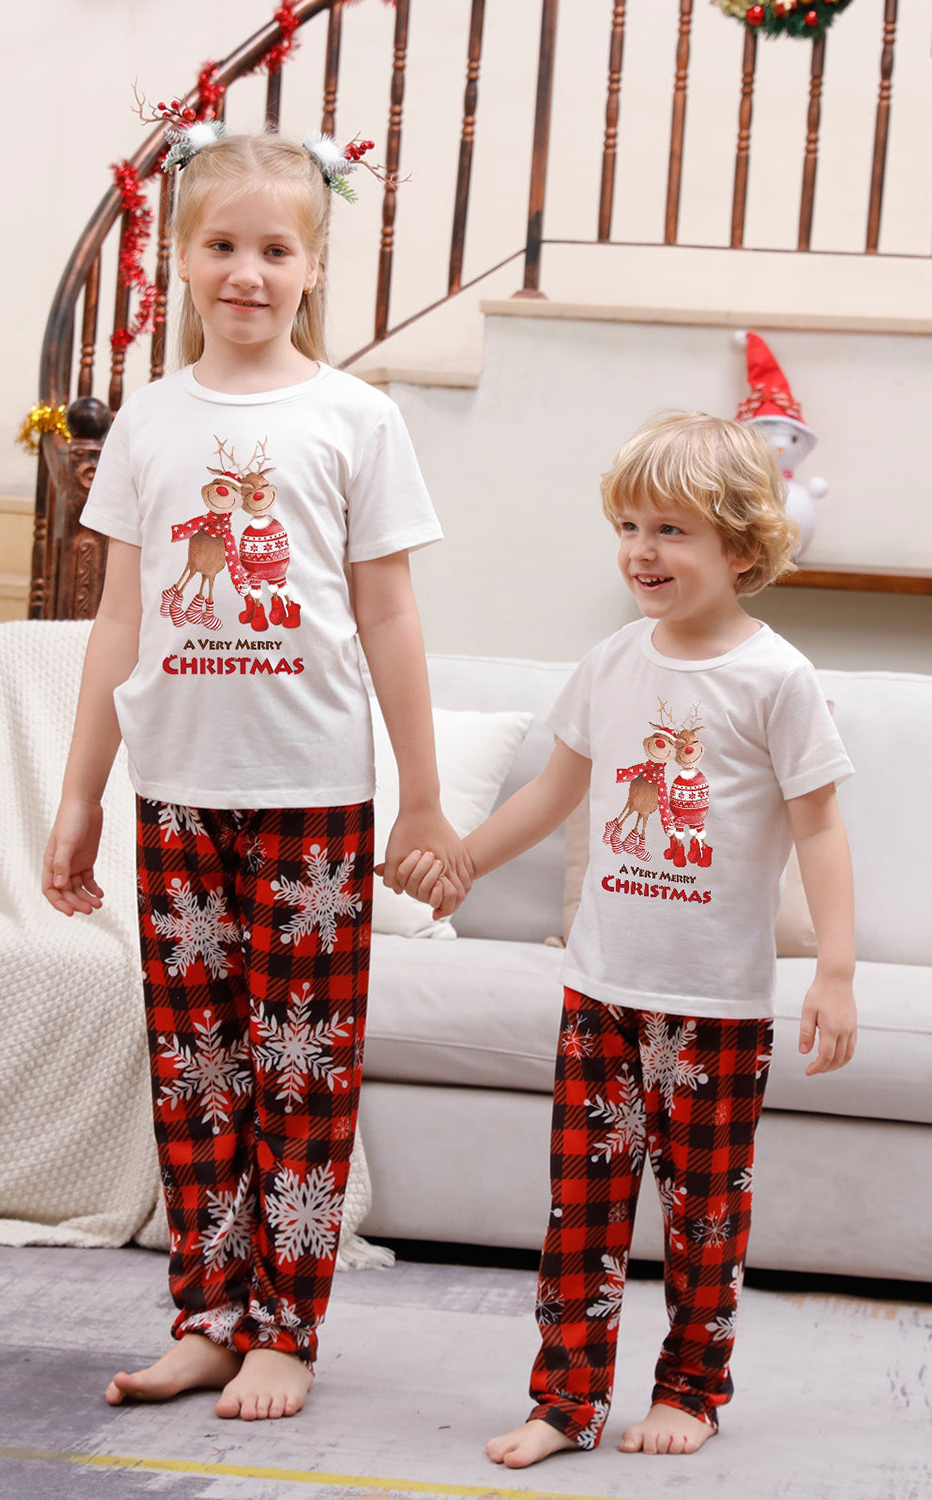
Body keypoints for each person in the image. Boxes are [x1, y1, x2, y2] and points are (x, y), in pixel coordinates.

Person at [42, 128, 470, 1422]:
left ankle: (288, 1325)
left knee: (301, 1067)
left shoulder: (355, 419)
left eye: (273, 249)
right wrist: (78, 793)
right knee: (196, 1071)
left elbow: (391, 618)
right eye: (221, 246)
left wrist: (427, 794)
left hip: (313, 804)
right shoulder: (152, 425)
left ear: (312, 265)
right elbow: (119, 619)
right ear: (182, 260)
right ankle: (208, 1316)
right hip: (175, 795)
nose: (246, 271)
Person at [396, 412, 856, 1465]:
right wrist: (462, 857)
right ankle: (565, 1402)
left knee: (701, 1216)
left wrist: (831, 970)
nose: (641, 552)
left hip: (718, 1006)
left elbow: (819, 825)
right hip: (599, 986)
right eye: (628, 526)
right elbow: (557, 791)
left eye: (672, 531)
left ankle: (690, 1390)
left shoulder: (775, 679)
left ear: (742, 548)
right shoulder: (609, 662)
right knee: (582, 1209)